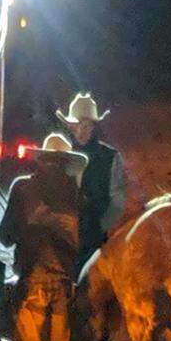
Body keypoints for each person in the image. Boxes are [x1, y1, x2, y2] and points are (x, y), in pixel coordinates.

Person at [0, 132, 88, 341]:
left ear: (42, 158)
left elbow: (5, 235)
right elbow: (81, 240)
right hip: (63, 282)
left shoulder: (23, 188)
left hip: (34, 279)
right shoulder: (74, 193)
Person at [56, 91, 127, 273]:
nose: (81, 131)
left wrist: (98, 232)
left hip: (94, 244)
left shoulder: (110, 157)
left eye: (86, 126)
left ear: (94, 127)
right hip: (62, 242)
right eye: (77, 125)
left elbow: (117, 203)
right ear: (70, 127)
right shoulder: (60, 155)